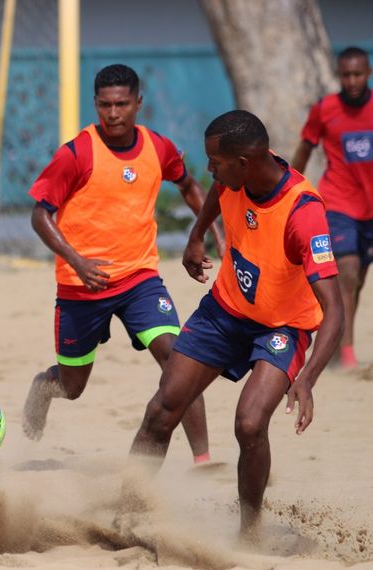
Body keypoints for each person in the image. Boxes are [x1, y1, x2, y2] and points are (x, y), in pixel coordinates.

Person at [130, 110, 343, 538]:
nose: (208, 168)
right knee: (161, 409)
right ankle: (128, 510)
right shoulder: (237, 175)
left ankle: (249, 531)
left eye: (215, 161)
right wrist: (196, 234)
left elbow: (335, 310)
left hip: (282, 327)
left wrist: (308, 378)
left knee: (249, 423)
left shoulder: (302, 212)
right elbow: (217, 189)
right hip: (225, 310)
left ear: (244, 162)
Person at [21, 64, 222, 465]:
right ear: (95, 104)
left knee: (178, 357)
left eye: (122, 104)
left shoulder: (158, 147)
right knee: (73, 386)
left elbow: (188, 184)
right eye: (105, 105)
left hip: (140, 278)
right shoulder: (77, 153)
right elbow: (39, 215)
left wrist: (211, 233)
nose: (113, 114)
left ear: (138, 103)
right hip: (83, 287)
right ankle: (44, 386)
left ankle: (204, 459)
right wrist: (76, 261)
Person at [291, 46, 373, 369]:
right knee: (348, 272)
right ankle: (347, 354)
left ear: (367, 74)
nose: (351, 81)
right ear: (338, 76)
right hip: (338, 202)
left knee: (359, 278)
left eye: (357, 74)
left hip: (370, 209)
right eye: (345, 75)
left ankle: (340, 343)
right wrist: (289, 187)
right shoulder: (325, 110)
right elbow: (305, 148)